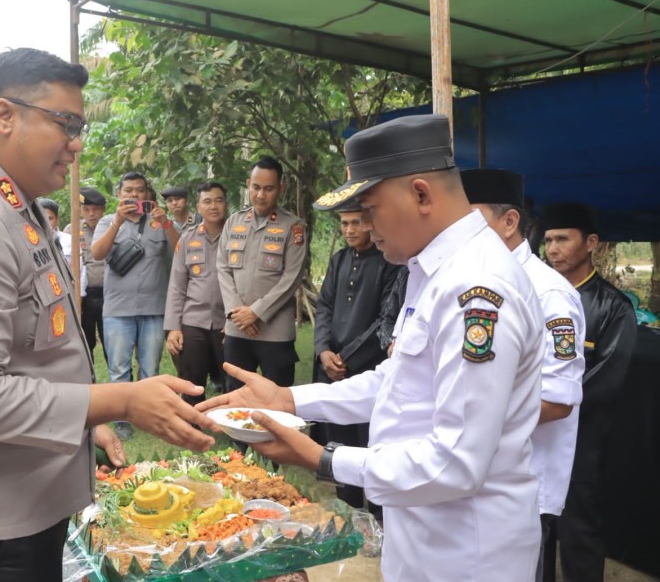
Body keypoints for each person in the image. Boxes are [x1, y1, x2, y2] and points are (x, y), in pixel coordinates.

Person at [0, 48, 216, 582]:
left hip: (23, 498)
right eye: (64, 124)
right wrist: (119, 400)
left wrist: (86, 423)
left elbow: (34, 355)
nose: (76, 144)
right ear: (5, 116)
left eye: (80, 127)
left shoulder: (15, 206)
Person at [200, 114, 545, 582]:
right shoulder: (433, 272)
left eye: (371, 208)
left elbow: (457, 461)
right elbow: (397, 380)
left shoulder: (477, 288)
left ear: (421, 194)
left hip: (467, 549)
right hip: (422, 527)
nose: (363, 225)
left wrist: (321, 458)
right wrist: (291, 399)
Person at [462, 169, 587, 581]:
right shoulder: (474, 279)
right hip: (477, 473)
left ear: (509, 222)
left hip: (524, 483)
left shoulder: (548, 293)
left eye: (472, 217)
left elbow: (557, 401)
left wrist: (473, 424)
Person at [540, 202, 637, 582]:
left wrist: (554, 406)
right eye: (548, 240)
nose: (552, 249)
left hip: (583, 441)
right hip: (537, 434)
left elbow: (607, 377)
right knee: (536, 531)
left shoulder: (614, 307)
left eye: (563, 238)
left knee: (578, 533)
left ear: (591, 242)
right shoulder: (538, 297)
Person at [312, 198, 400, 510]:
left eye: (356, 222)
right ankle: (347, 509)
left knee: (371, 441)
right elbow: (324, 306)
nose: (349, 230)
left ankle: (377, 513)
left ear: (371, 222)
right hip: (332, 363)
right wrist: (323, 350)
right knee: (337, 440)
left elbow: (385, 319)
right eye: (344, 223)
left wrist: (346, 359)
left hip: (368, 367)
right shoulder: (338, 260)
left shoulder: (390, 263)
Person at [91, 171, 181, 439]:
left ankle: (148, 416)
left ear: (147, 195)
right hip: (117, 310)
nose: (133, 195)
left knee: (150, 368)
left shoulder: (158, 222)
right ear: (119, 194)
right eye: (128, 190)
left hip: (153, 308)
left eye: (139, 190)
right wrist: (117, 222)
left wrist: (166, 223)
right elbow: (97, 253)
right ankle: (121, 419)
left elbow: (180, 252)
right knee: (118, 367)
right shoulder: (108, 220)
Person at [217, 156, 306, 389]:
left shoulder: (293, 227)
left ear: (281, 189)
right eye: (256, 187)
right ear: (248, 184)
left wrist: (255, 312)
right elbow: (223, 268)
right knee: (235, 395)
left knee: (276, 400)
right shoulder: (233, 223)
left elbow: (292, 277)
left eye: (268, 189)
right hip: (237, 328)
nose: (260, 195)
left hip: (275, 333)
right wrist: (238, 313)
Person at [164, 182, 227, 405]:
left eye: (218, 200)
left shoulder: (237, 237)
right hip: (194, 321)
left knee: (232, 379)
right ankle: (192, 425)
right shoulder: (188, 239)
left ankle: (235, 431)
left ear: (226, 204)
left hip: (228, 321)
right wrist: (173, 327)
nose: (213, 206)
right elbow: (177, 285)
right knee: (192, 380)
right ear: (198, 207)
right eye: (207, 202)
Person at [63, 187, 107, 361]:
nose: (91, 214)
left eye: (96, 209)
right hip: (83, 297)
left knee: (111, 344)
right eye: (86, 209)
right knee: (85, 343)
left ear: (103, 208)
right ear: (80, 210)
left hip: (108, 295)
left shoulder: (111, 227)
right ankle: (89, 382)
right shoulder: (71, 230)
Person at [37, 197, 87, 296]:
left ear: (57, 219)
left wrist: (79, 297)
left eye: (50, 218)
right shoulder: (29, 241)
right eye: (41, 218)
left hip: (67, 294)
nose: (46, 222)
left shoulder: (70, 241)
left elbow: (81, 272)